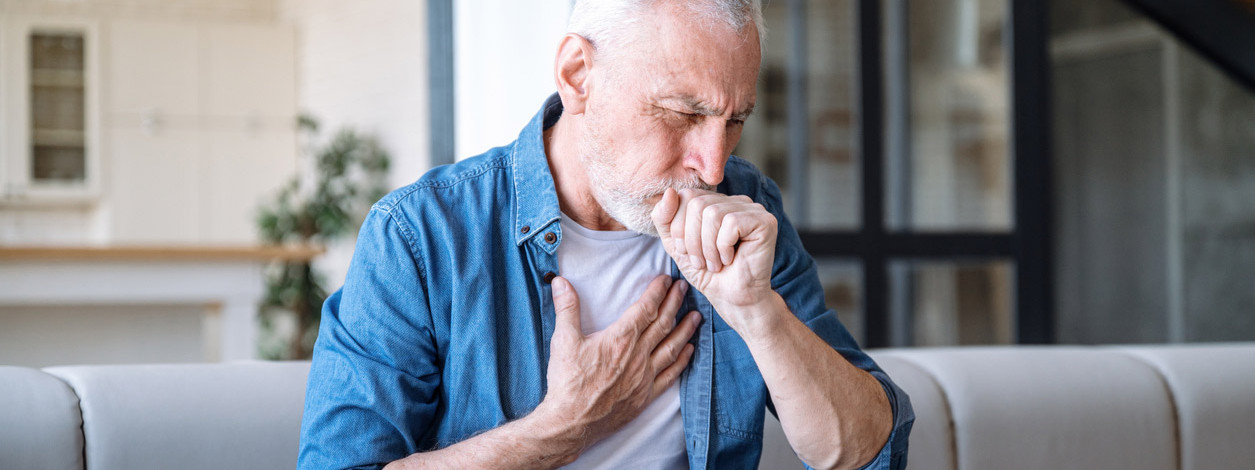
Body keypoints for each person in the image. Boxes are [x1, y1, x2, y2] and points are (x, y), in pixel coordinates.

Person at [298, 0, 913, 469]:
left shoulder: (745, 209)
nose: (713, 164)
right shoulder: (420, 235)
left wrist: (758, 313)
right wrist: (562, 425)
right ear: (578, 75)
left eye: (735, 121)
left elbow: (866, 451)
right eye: (683, 113)